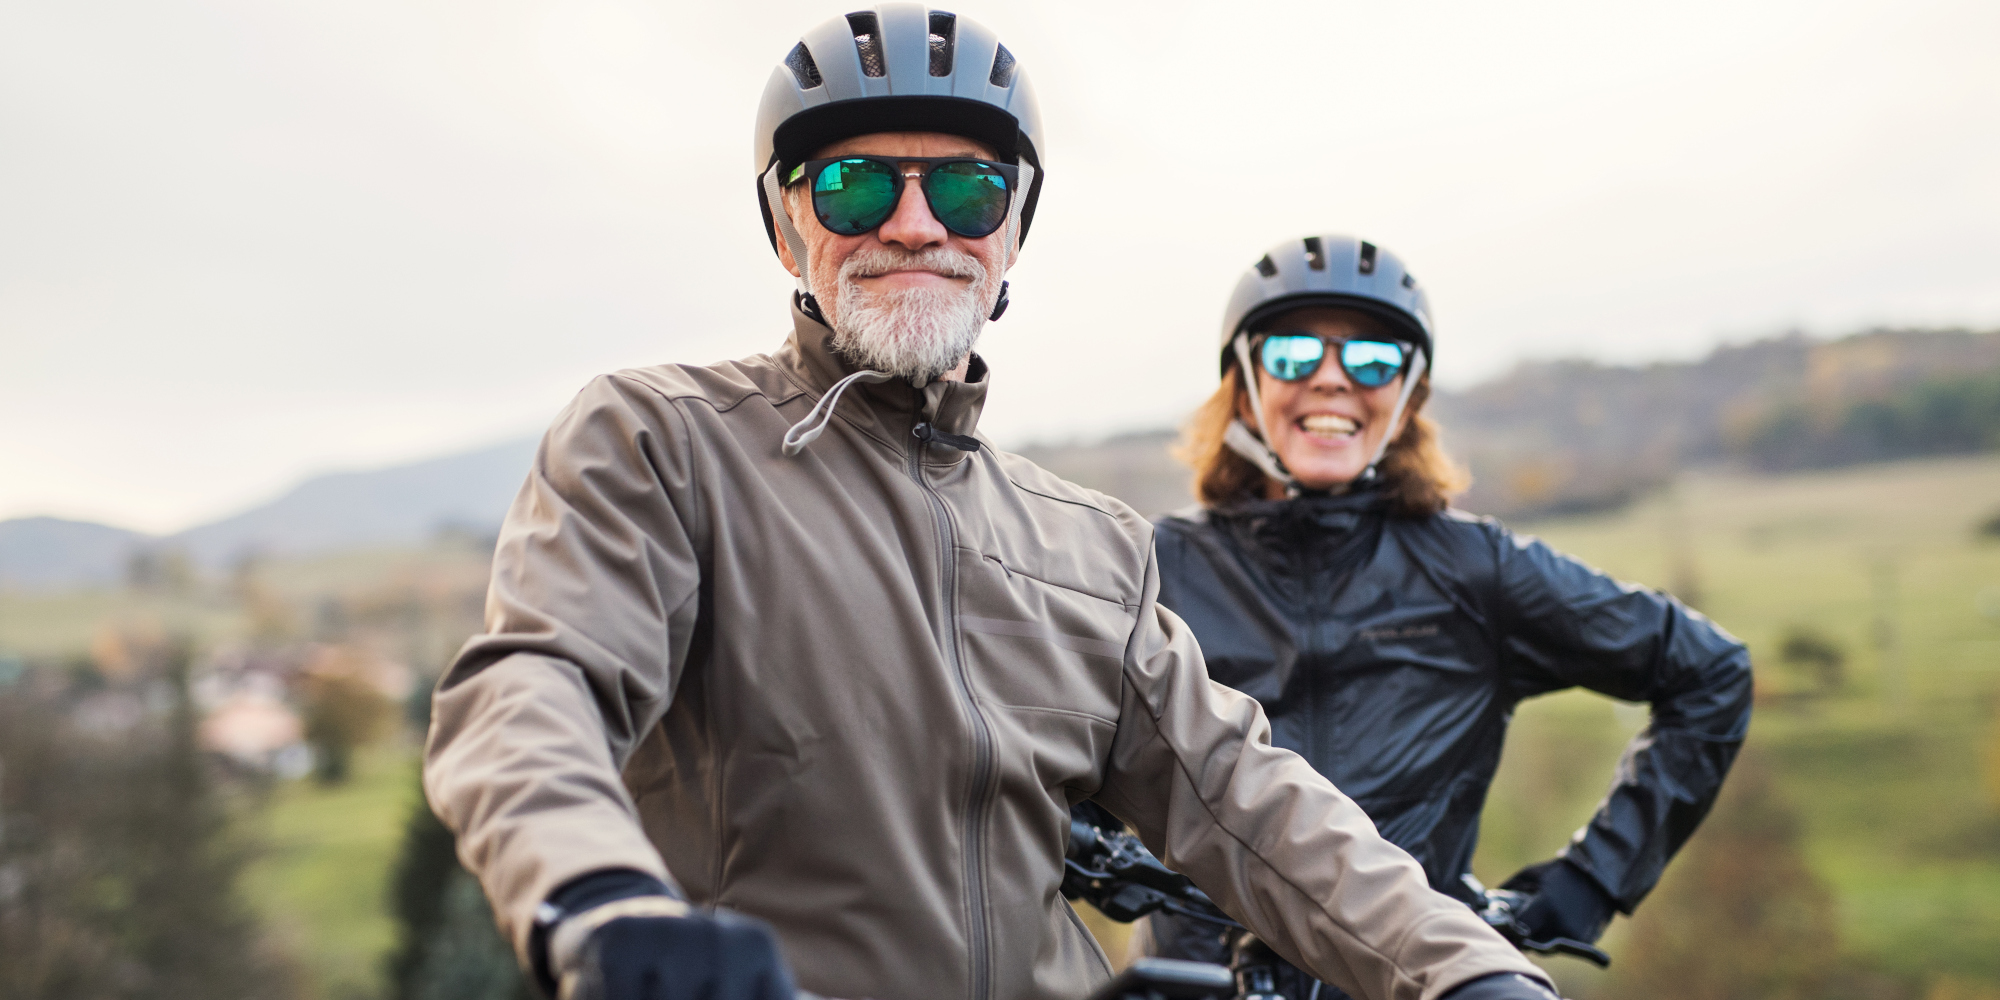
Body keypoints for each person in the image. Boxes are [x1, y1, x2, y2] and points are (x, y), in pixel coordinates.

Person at [422, 11, 1561, 1000]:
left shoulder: (1089, 543)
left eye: (966, 189)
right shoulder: (663, 442)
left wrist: (1464, 965)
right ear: (785, 226)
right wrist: (600, 899)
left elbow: (1245, 800)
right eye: (855, 184)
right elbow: (534, 686)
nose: (914, 225)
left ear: (1011, 229)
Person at [1135, 234, 1755, 996]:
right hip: (1196, 983)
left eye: (1373, 361)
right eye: (1294, 354)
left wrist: (1588, 886)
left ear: (1410, 395)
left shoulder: (1476, 571)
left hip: (1414, 981)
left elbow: (1709, 671)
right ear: (1245, 379)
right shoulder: (1152, 567)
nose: (1332, 381)